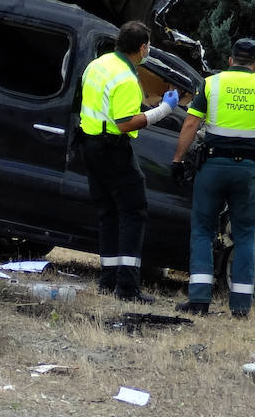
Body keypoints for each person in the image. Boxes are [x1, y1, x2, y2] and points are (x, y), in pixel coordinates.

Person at [172, 31, 255, 317]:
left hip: (213, 167)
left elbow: (192, 123)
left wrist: (178, 159)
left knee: (204, 231)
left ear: (230, 60)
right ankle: (241, 305)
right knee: (245, 234)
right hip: (247, 170)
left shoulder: (210, 84)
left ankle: (198, 300)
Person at [76, 21, 179, 303]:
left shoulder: (98, 64)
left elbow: (104, 106)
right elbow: (124, 123)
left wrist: (146, 105)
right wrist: (164, 110)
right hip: (113, 149)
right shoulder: (126, 78)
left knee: (108, 213)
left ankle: (108, 281)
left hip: (89, 143)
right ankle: (127, 287)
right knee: (133, 212)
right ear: (143, 48)